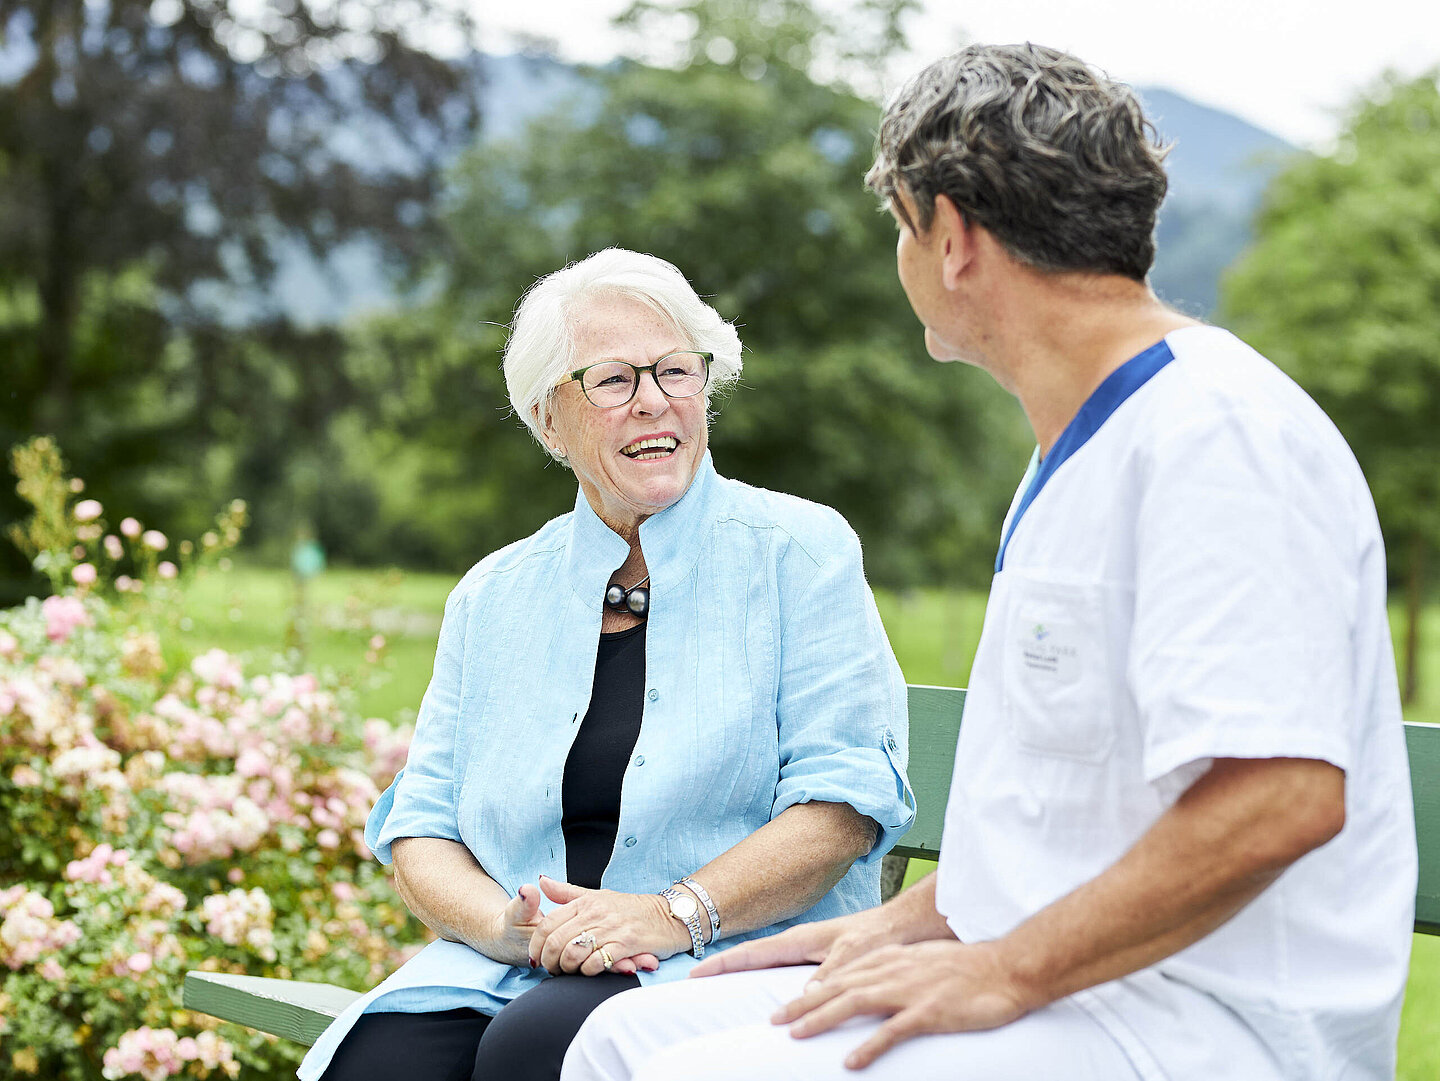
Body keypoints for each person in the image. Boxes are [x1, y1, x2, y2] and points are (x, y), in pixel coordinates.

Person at [561, 44, 1418, 1081]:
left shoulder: (1217, 439)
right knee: (621, 1037)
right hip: (1074, 989)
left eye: (901, 228)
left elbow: (1280, 796)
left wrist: (1005, 968)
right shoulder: (1081, 443)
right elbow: (1068, 822)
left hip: (1204, 1027)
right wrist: (912, 924)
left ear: (953, 236)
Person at [298, 248, 915, 1081]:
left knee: (537, 1049)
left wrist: (669, 914)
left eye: (675, 371)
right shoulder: (494, 594)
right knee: (378, 1063)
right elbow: (424, 823)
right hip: (509, 967)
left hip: (732, 955)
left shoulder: (801, 554)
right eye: (614, 379)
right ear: (547, 417)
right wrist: (504, 928)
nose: (654, 401)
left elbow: (842, 805)